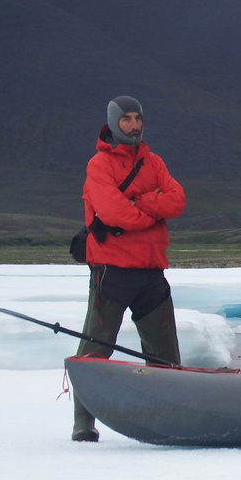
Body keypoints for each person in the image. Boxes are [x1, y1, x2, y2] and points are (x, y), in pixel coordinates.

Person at [71, 96, 186, 442]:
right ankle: (83, 421)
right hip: (113, 270)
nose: (134, 125)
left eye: (137, 118)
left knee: (165, 354)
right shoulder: (99, 166)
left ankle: (174, 417)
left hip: (151, 270)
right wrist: (151, 210)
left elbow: (176, 200)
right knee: (95, 346)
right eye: (126, 120)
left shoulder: (154, 162)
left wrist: (143, 202)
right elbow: (116, 214)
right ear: (113, 122)